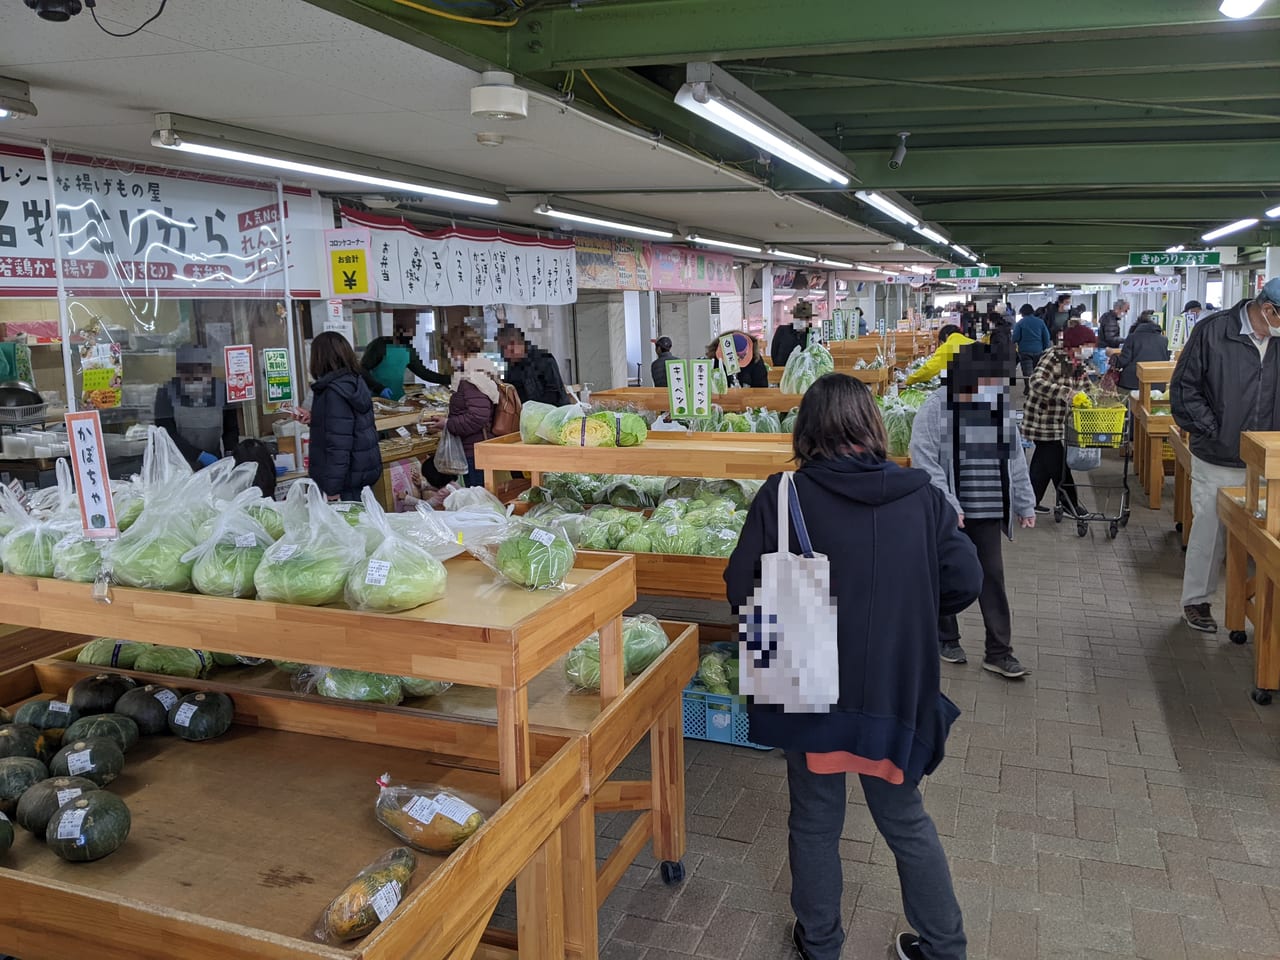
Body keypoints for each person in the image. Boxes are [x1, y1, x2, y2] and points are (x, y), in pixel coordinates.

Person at [724, 373, 981, 960]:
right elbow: (966, 579)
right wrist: (910, 607)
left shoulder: (783, 496)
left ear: (807, 430)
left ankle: (820, 944)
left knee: (814, 819)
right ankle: (945, 947)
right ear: (871, 426)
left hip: (807, 688)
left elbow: (741, 586)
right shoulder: (921, 496)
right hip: (895, 691)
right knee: (905, 820)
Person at [910, 341, 1036, 678]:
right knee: (946, 572)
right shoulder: (936, 407)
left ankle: (999, 651)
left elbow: (1016, 460)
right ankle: (946, 637)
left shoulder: (998, 408)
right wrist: (950, 505)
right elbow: (924, 461)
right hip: (951, 510)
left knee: (991, 577)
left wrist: (1025, 503)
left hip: (989, 508)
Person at [1171, 278, 1280, 633]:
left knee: (1269, 536)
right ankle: (1197, 601)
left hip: (1270, 459)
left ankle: (1259, 608)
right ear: (1268, 309)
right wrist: (1213, 428)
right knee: (1210, 528)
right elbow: (1185, 388)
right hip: (1219, 455)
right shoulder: (1214, 331)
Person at [1023, 324, 1094, 515]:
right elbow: (1035, 381)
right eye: (1086, 345)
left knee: (1042, 465)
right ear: (1074, 344)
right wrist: (1066, 393)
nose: (1090, 349)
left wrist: (1095, 398)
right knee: (1058, 464)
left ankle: (1029, 502)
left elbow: (1086, 386)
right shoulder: (1053, 357)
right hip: (1042, 420)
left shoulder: (1077, 363)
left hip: (1057, 422)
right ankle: (1070, 504)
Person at [302, 332, 380, 502]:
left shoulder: (333, 391)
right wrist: (316, 419)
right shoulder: (354, 382)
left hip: (344, 483)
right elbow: (345, 428)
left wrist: (332, 490)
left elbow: (338, 445)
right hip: (360, 474)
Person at [154, 346, 240, 470]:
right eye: (189, 373)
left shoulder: (222, 390)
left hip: (214, 463)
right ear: (180, 372)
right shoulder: (166, 393)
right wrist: (198, 455)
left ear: (209, 371)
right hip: (179, 466)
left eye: (203, 371)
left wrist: (230, 454)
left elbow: (231, 429)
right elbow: (166, 434)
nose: (197, 377)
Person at [442, 326, 500, 489]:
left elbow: (477, 416)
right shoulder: (484, 369)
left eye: (449, 350)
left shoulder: (471, 377)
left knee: (479, 499)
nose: (449, 356)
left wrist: (448, 424)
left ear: (457, 350)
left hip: (476, 449)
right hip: (483, 445)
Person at [360, 309, 450, 400]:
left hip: (398, 399)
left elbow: (424, 373)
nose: (411, 333)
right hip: (375, 399)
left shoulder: (408, 350)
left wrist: (451, 379)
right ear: (396, 327)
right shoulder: (379, 345)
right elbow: (361, 369)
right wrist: (378, 388)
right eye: (406, 329)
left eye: (412, 329)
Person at [496, 324, 569, 406]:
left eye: (505, 350)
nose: (505, 355)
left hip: (555, 412)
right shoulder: (510, 370)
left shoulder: (545, 360)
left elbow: (555, 394)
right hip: (527, 415)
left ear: (514, 344)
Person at [1116, 310, 1171, 392]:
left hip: (1132, 383)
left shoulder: (1132, 337)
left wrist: (1115, 360)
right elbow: (1166, 360)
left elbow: (1124, 361)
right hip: (1158, 384)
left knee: (1124, 397)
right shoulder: (1164, 340)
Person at [1011, 304, 1050, 391]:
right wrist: (1045, 348)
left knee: (1027, 372)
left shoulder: (1020, 323)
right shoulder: (1040, 322)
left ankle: (1028, 389)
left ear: (1022, 313)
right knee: (1037, 372)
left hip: (1025, 351)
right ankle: (1037, 388)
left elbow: (1015, 338)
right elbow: (1046, 337)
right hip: (1038, 351)